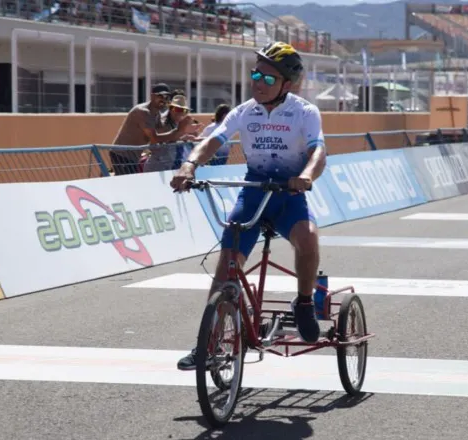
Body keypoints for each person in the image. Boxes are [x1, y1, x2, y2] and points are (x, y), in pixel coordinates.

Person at [169, 41, 327, 370]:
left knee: (308, 240)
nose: (258, 82)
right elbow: (213, 140)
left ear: (287, 84)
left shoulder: (304, 112)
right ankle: (207, 344)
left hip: (288, 194)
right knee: (226, 265)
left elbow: (318, 152)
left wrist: (307, 175)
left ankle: (303, 302)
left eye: (268, 79)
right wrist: (190, 166)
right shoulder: (245, 111)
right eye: (256, 75)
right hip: (254, 191)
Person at [111, 83, 194, 175]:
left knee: (128, 184)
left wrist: (183, 131)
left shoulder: (156, 114)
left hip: (133, 156)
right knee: (127, 185)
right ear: (152, 96)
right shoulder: (143, 112)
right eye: (160, 96)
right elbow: (155, 138)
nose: (164, 99)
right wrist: (179, 130)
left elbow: (165, 134)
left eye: (167, 97)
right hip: (122, 154)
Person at [143, 94, 201, 173]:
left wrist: (187, 136)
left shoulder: (177, 125)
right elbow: (162, 138)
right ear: (170, 109)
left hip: (169, 166)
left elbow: (174, 137)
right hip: (157, 166)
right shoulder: (162, 122)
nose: (180, 113)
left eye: (183, 110)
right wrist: (183, 134)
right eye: (177, 109)